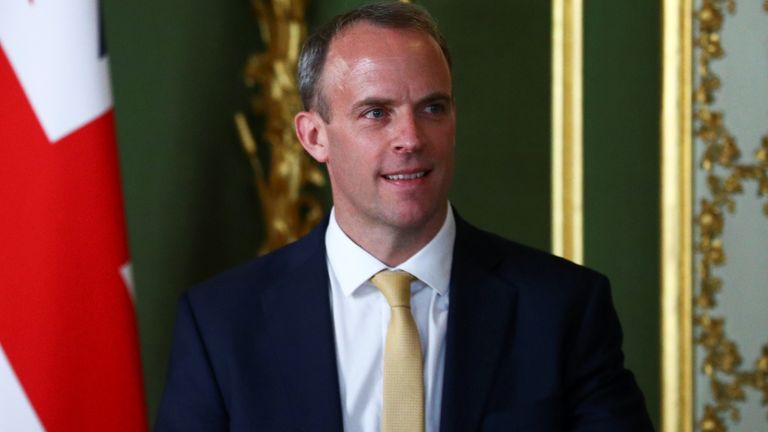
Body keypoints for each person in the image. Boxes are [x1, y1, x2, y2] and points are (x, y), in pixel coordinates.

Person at [155, 2, 654, 431]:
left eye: (433, 108)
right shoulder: (221, 324)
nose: (411, 138)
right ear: (313, 137)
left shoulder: (563, 309)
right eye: (376, 113)